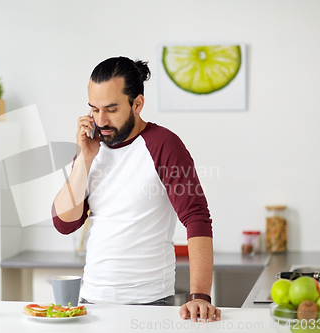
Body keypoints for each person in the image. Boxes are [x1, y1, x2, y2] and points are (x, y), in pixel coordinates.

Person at [51, 56, 221, 322]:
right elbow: (64, 223)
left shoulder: (164, 144)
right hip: (92, 299)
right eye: (94, 109)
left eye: (111, 109)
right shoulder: (91, 149)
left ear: (137, 104)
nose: (101, 120)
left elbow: (196, 217)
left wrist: (200, 296)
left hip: (150, 302)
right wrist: (84, 158)